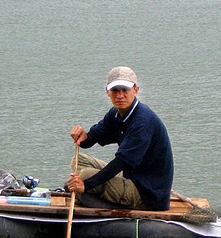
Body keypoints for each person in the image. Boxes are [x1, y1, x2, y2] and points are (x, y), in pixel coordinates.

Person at [66, 67, 174, 211]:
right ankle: (86, 191)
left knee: (85, 175)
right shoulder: (116, 114)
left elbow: (121, 162)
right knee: (78, 160)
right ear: (107, 92)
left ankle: (100, 201)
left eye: (125, 90)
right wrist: (83, 136)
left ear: (136, 90)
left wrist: (86, 185)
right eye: (115, 90)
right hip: (131, 176)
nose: (120, 95)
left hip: (147, 193)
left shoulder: (142, 122)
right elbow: (92, 138)